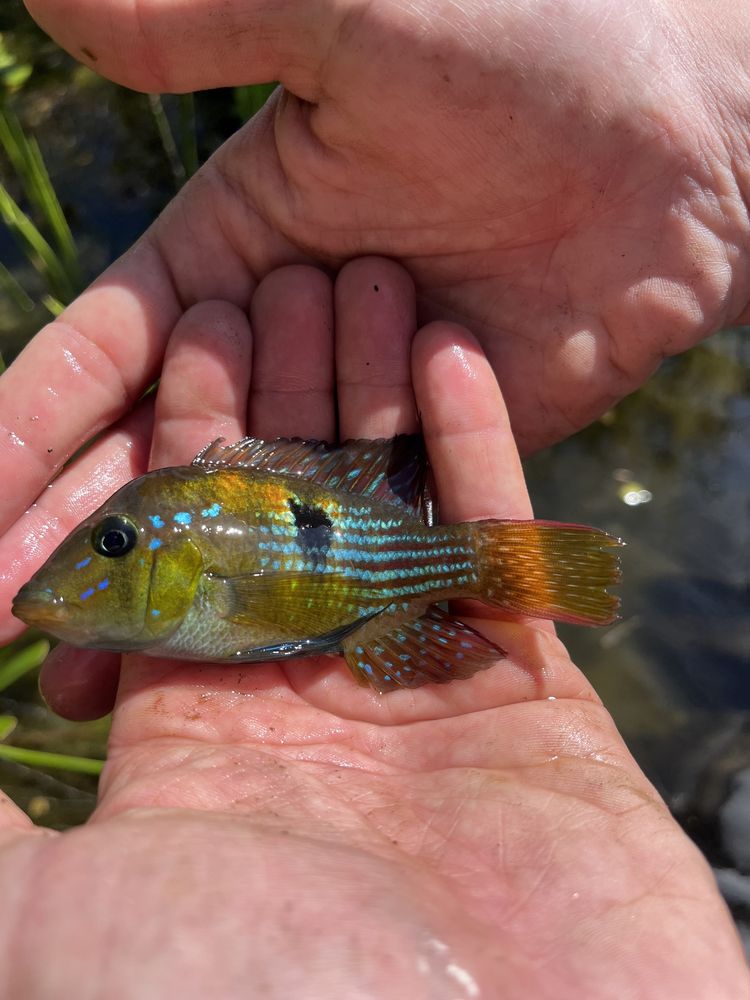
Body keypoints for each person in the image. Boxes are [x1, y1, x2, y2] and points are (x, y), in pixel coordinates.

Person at [0, 0, 746, 993]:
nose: (87, 568)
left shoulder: (197, 563)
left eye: (113, 546)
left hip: (380, 560)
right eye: (111, 544)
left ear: (170, 564)